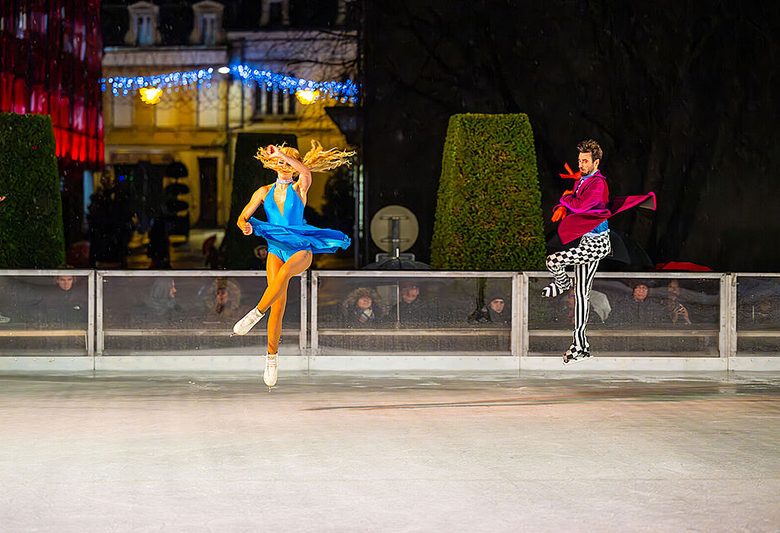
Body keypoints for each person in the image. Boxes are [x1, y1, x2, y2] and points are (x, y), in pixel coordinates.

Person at [232, 140, 355, 388]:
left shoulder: (300, 187)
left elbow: (306, 172)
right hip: (276, 247)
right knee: (278, 305)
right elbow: (242, 216)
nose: (284, 165)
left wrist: (284, 156)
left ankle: (255, 313)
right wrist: (244, 225)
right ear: (273, 165)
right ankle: (271, 358)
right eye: (280, 162)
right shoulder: (263, 192)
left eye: (289, 162)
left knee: (286, 273)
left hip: (300, 248)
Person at [541, 139, 656, 363]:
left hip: (597, 244)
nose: (581, 164)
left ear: (596, 162)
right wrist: (563, 205)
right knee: (583, 295)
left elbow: (581, 205)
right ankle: (580, 346)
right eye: (579, 160)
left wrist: (565, 199)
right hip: (586, 243)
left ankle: (563, 283)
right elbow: (575, 206)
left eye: (585, 161)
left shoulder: (599, 184)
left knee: (553, 261)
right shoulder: (582, 181)